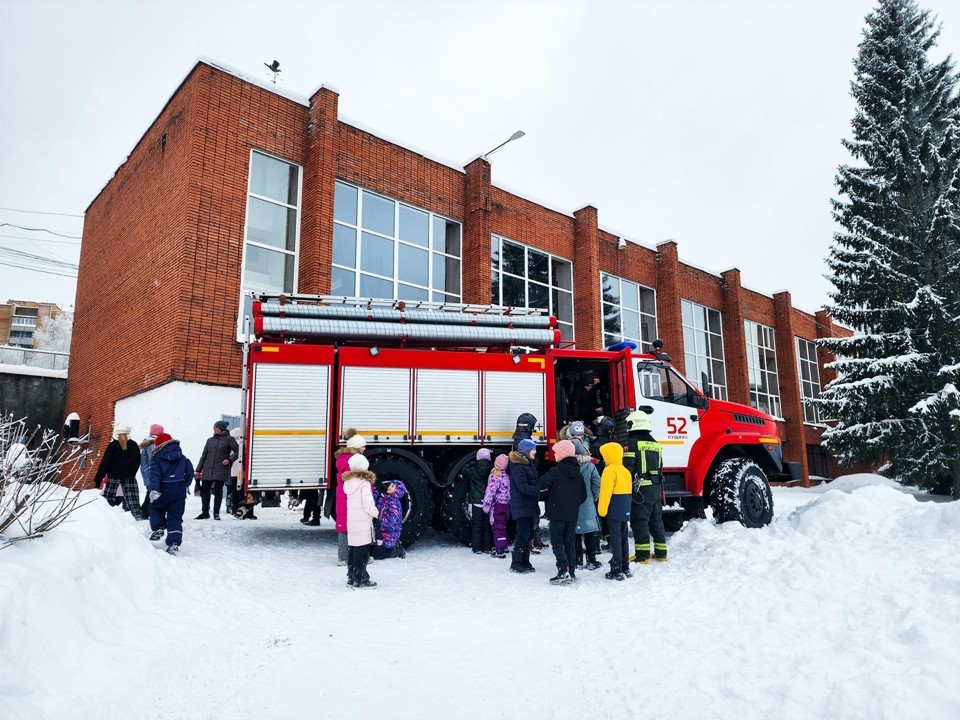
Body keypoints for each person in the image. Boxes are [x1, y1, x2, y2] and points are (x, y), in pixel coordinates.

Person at [538, 439, 587, 585]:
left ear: (563, 454)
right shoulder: (578, 473)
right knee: (570, 542)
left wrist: (546, 494)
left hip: (557, 514)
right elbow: (583, 496)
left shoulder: (556, 471)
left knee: (557, 542)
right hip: (572, 515)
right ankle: (571, 571)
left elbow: (541, 484)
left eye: (556, 452)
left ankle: (563, 570)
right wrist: (572, 504)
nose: (554, 454)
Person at [623, 410, 668, 563]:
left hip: (641, 490)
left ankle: (642, 556)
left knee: (639, 521)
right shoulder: (656, 444)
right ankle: (661, 553)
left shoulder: (631, 443)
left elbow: (627, 468)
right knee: (656, 520)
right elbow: (660, 467)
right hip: (656, 487)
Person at [146, 432, 193, 555]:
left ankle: (158, 527)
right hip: (178, 490)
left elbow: (154, 476)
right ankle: (173, 543)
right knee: (175, 516)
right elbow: (190, 472)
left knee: (155, 508)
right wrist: (185, 484)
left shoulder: (156, 459)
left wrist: (154, 489)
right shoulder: (183, 458)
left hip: (162, 489)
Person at [597, 441, 632, 581]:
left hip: (614, 508)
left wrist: (602, 510)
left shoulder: (609, 470)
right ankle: (625, 566)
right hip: (625, 508)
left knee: (615, 538)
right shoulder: (625, 470)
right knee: (623, 538)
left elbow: (605, 492)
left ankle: (616, 568)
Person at [343, 453, 378, 588]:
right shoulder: (364, 484)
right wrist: (376, 513)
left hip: (352, 522)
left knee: (353, 549)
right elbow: (368, 504)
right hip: (363, 522)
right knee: (362, 551)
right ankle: (361, 578)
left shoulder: (348, 482)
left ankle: (351, 576)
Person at [93, 422, 143, 520]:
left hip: (114, 476)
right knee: (133, 499)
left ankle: (105, 519)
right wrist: (132, 472)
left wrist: (98, 479)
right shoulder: (134, 445)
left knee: (108, 499)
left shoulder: (113, 445)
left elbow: (105, 463)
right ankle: (137, 517)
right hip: (129, 476)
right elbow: (138, 462)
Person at [194, 419, 239, 520]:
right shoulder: (210, 440)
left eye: (216, 428)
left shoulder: (229, 439)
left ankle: (216, 513)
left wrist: (229, 460)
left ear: (221, 429)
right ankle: (205, 512)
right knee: (205, 491)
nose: (214, 429)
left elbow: (239, 451)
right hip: (208, 469)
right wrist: (198, 470)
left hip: (221, 469)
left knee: (218, 492)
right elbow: (204, 456)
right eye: (213, 428)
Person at [508, 437, 539, 574]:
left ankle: (525, 561)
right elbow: (523, 487)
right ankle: (516, 562)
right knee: (522, 533)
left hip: (529, 505)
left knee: (529, 533)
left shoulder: (528, 464)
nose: (535, 452)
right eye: (533, 449)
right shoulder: (518, 467)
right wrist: (538, 490)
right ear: (526, 451)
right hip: (522, 505)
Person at [334, 430, 365, 566]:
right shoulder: (355, 462)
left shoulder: (343, 461)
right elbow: (360, 481)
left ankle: (342, 557)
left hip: (342, 499)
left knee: (343, 527)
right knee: (356, 528)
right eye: (363, 446)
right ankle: (355, 557)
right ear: (357, 448)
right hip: (351, 500)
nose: (364, 448)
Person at [572, 437, 602, 571]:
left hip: (572, 505)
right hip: (588, 503)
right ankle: (591, 559)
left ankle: (577, 559)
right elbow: (597, 483)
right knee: (590, 532)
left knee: (575, 533)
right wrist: (593, 498)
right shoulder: (590, 466)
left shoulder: (568, 466)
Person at [463, 448, 494, 554]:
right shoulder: (491, 469)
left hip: (477, 502)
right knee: (487, 526)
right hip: (488, 502)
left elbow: (464, 469)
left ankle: (476, 548)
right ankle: (487, 547)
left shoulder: (473, 469)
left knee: (477, 526)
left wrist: (473, 462)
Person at [482, 453, 511, 559]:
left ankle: (500, 548)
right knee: (503, 526)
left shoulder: (494, 477)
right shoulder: (506, 477)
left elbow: (490, 492)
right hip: (506, 506)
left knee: (497, 527)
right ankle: (505, 545)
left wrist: (486, 505)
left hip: (497, 506)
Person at [372, 477, 406, 559]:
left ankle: (396, 551)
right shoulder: (384, 499)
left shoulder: (394, 503)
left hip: (390, 534)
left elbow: (391, 520)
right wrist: (377, 490)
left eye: (393, 486)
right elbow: (375, 503)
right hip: (380, 534)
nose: (389, 487)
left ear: (398, 491)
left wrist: (380, 523)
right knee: (370, 552)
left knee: (376, 555)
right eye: (390, 485)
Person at [226, 427, 243, 517]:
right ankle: (238, 509)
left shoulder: (231, 444)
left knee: (234, 492)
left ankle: (234, 509)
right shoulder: (240, 444)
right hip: (240, 472)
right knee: (240, 493)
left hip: (234, 472)